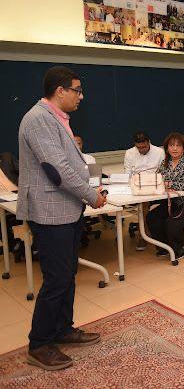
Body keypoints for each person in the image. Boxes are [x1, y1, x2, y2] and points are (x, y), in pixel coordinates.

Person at [17, 66, 106, 371]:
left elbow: (69, 164)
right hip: (51, 212)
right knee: (57, 278)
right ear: (60, 91)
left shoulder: (56, 118)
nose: (81, 96)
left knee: (67, 275)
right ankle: (39, 344)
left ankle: (62, 329)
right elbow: (57, 170)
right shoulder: (38, 119)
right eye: (77, 90)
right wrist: (91, 195)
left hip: (66, 209)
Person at [146, 132, 184, 259]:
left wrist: (171, 184)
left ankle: (179, 248)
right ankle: (165, 248)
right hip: (175, 201)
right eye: (171, 145)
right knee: (152, 217)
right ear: (167, 148)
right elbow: (158, 179)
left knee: (172, 222)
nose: (174, 148)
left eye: (178, 145)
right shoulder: (165, 162)